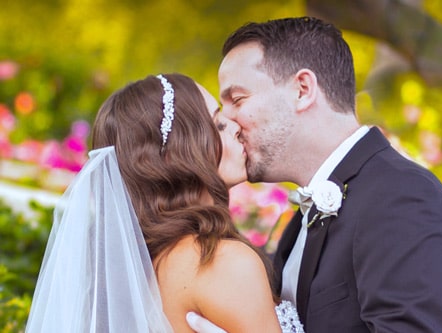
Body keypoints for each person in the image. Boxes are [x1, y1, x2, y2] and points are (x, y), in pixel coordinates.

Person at [187, 16, 442, 332]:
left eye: (238, 99)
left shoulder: (402, 198)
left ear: (302, 89)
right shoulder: (300, 224)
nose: (226, 121)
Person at [25, 73, 304, 332]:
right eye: (218, 124)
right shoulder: (221, 262)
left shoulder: (127, 269)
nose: (236, 127)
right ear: (176, 156)